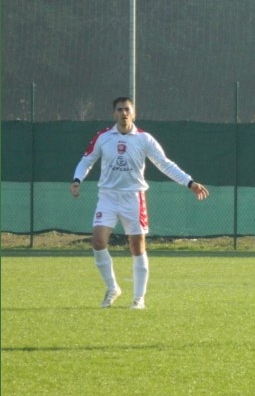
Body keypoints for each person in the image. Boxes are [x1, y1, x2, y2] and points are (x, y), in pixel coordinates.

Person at [71, 96, 209, 309]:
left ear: (134, 113)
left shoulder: (144, 139)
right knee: (98, 241)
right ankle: (112, 288)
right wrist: (77, 180)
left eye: (127, 109)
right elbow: (87, 160)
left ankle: (138, 298)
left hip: (133, 197)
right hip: (108, 196)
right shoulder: (103, 137)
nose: (123, 113)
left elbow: (165, 164)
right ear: (114, 114)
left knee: (137, 246)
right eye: (119, 110)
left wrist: (189, 182)